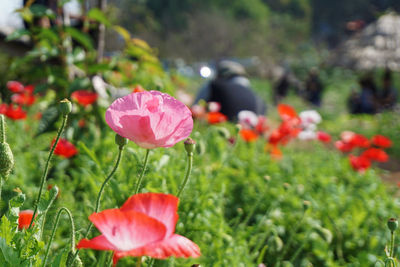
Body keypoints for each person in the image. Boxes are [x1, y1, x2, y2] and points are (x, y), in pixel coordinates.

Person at [194, 60, 266, 121]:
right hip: (246, 134)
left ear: (221, 74)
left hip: (221, 126)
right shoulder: (257, 97)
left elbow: (196, 108)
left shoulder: (214, 85)